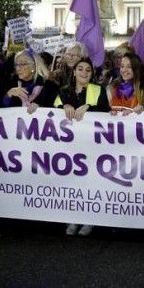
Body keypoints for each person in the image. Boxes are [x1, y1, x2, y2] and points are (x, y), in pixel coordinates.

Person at [54, 58, 110, 237]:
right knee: (73, 183)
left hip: (92, 146)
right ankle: (73, 217)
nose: (84, 73)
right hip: (70, 147)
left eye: (88, 70)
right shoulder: (63, 91)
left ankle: (90, 220)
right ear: (74, 71)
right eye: (80, 69)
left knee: (91, 182)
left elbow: (106, 113)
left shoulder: (98, 90)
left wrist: (89, 106)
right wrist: (65, 105)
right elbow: (52, 111)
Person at [3, 50, 45, 114]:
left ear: (33, 66)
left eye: (22, 64)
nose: (18, 68)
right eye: (16, 65)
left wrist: (41, 107)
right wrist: (8, 94)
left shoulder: (47, 85)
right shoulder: (11, 82)